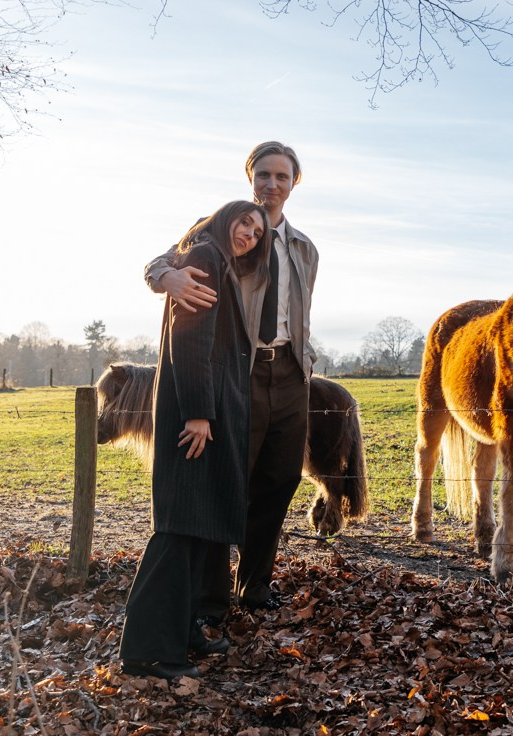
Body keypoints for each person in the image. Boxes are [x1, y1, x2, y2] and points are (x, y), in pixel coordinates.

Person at [144, 141, 319, 618]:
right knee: (226, 482)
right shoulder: (224, 226)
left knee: (279, 480)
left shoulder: (305, 248)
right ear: (251, 179)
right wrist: (168, 278)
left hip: (289, 375)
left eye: (281, 176)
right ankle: (210, 599)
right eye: (263, 175)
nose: (271, 184)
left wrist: (303, 358)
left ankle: (255, 586)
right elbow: (159, 262)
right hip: (237, 375)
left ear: (293, 183)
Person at [120, 200, 270, 680]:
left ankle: (181, 631)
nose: (250, 233)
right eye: (245, 222)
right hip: (194, 415)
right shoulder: (204, 257)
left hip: (206, 411)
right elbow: (190, 341)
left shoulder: (214, 261)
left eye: (258, 231)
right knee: (179, 527)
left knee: (196, 525)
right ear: (227, 218)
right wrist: (200, 415)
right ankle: (148, 651)